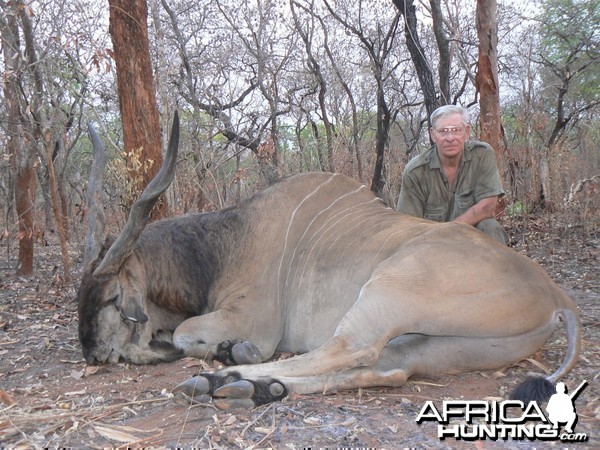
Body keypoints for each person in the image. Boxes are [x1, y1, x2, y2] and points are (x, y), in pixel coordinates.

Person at [397, 105, 508, 245]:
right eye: (443, 131)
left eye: (456, 130)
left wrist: (451, 230)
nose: (450, 138)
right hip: (431, 241)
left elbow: (488, 205)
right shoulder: (416, 170)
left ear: (466, 132)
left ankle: (496, 267)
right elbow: (408, 224)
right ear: (433, 135)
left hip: (471, 234)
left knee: (490, 228)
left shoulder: (482, 154)